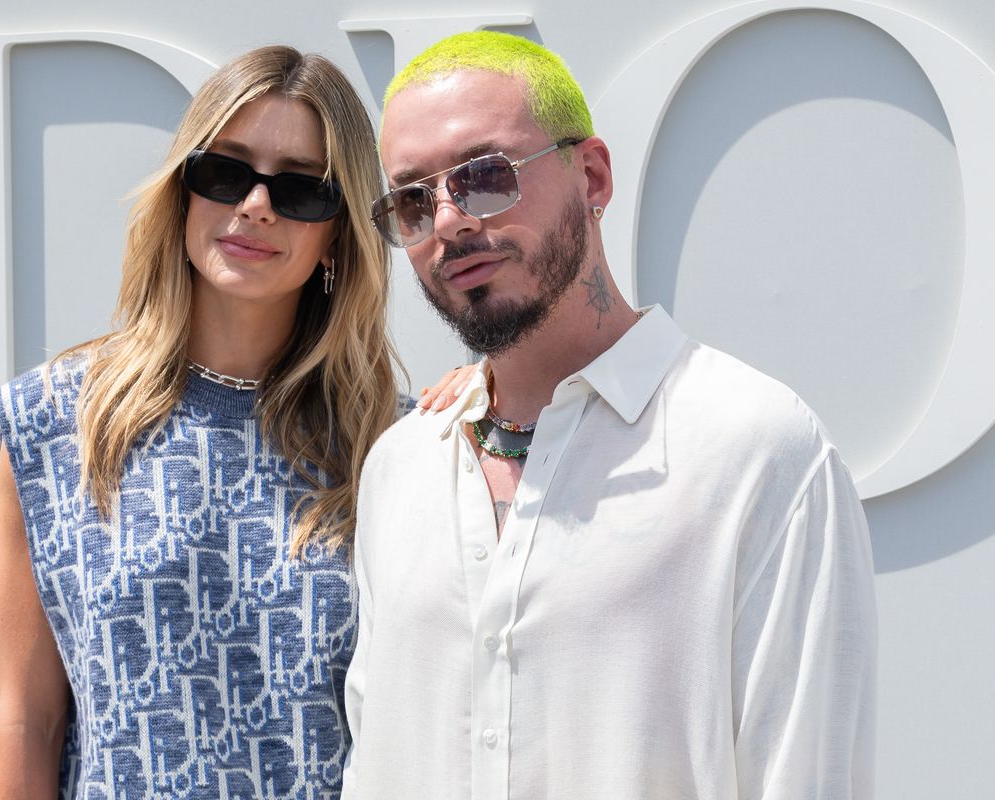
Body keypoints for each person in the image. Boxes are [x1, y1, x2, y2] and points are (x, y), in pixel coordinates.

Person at [342, 31, 878, 800]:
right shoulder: (400, 467)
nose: (450, 220)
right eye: (413, 201)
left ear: (591, 175)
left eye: (486, 175)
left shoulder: (754, 450)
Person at [0, 45, 469, 799]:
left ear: (336, 237)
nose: (255, 205)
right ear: (183, 191)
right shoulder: (56, 419)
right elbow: (30, 721)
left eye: (300, 190)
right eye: (225, 172)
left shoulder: (396, 445)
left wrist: (494, 406)